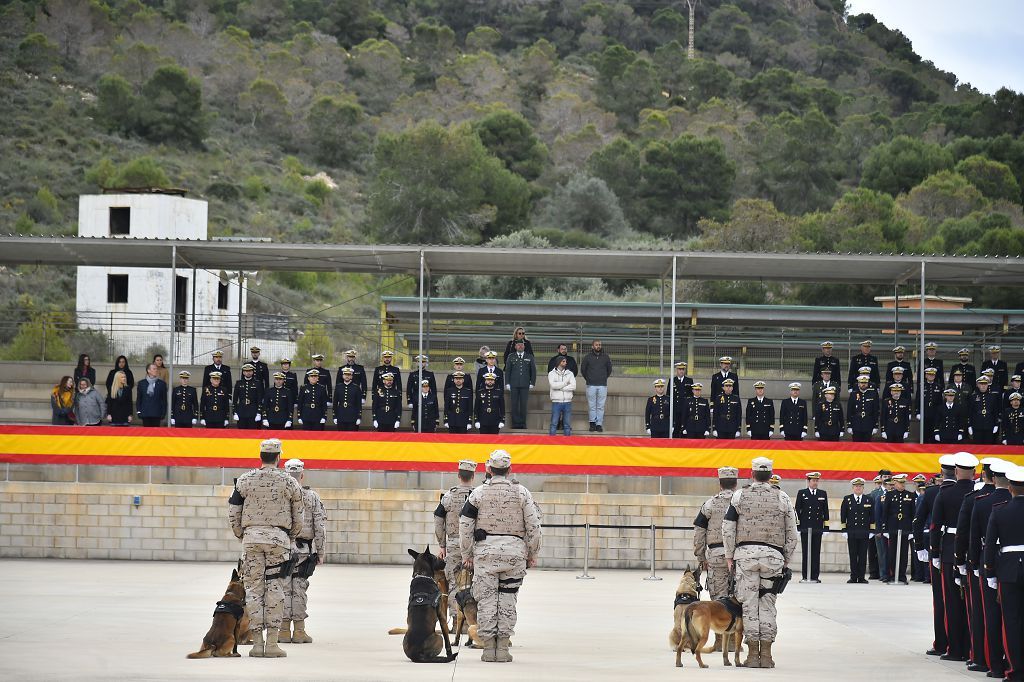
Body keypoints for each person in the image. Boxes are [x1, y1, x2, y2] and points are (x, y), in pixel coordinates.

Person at [459, 449, 542, 663]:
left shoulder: (477, 493)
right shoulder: (522, 493)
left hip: (485, 556)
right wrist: (532, 553)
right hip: (514, 555)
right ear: (510, 470)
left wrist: (467, 553)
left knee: (486, 601)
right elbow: (533, 525)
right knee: (507, 600)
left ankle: (488, 650)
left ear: (488, 469)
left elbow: (465, 524)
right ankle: (503, 649)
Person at [228, 438, 303, 658]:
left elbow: (233, 510)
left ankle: (256, 644)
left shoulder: (244, 480)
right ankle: (272, 644)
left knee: (253, 590)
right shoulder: (289, 482)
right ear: (279, 457)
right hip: (278, 541)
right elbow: (299, 514)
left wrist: (241, 533)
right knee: (275, 589)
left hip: (251, 539)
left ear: (261, 456)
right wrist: (290, 535)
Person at [722, 456, 798, 669]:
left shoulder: (739, 496)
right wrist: (785, 560)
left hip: (745, 557)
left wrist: (729, 556)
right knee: (767, 604)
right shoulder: (782, 497)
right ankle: (767, 655)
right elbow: (793, 533)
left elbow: (727, 528)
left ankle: (752, 655)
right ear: (771, 475)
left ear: (752, 474)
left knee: (748, 604)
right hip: (773, 557)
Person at [930, 451, 979, 662]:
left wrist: (934, 552)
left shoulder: (945, 493)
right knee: (973, 604)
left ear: (956, 471)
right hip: (975, 552)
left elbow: (935, 526)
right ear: (974, 472)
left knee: (952, 601)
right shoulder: (980, 494)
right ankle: (972, 648)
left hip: (950, 551)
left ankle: (955, 648)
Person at [955, 458, 998, 671]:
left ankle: (981, 657)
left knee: (980, 611)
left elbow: (966, 534)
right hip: (1010, 561)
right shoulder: (1011, 497)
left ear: (983, 475)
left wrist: (965, 562)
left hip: (982, 560)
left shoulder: (976, 500)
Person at [972, 459, 1013, 678]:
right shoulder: (1011, 501)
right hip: (1013, 563)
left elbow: (976, 536)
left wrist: (975, 563)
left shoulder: (982, 502)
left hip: (991, 561)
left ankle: (994, 663)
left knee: (991, 614)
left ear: (992, 477)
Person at [982, 464, 1024, 680]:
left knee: (1012, 620)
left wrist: (990, 572)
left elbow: (990, 545)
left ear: (1010, 488)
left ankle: (1016, 670)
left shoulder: (1000, 511)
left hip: (1008, 570)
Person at [279, 458, 326, 646]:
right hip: (303, 550)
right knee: (298, 589)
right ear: (302, 475)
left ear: (285, 473)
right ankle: (299, 631)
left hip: (281, 548)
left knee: (281, 588)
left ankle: (282, 631)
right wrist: (320, 552)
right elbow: (320, 527)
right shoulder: (312, 497)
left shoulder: (279, 494)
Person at [915, 455, 955, 657]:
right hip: (963, 552)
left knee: (940, 599)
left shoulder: (932, 493)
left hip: (939, 549)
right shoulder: (970, 491)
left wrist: (920, 547)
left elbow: (918, 520)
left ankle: (942, 642)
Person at [435, 459, 478, 627]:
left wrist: (442, 544)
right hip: (475, 546)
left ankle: (457, 622)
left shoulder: (449, 496)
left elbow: (438, 519)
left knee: (453, 583)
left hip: (453, 544)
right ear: (473, 476)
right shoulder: (478, 494)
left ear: (458, 475)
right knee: (475, 582)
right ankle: (472, 622)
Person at [694, 466, 740, 600]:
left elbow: (699, 532)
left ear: (720, 484)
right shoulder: (742, 502)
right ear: (736, 484)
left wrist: (701, 558)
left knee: (719, 601)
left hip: (716, 556)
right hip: (739, 556)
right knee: (739, 600)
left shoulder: (709, 504)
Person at [881, 474, 915, 584]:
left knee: (904, 553)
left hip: (905, 527)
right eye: (900, 483)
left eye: (904, 483)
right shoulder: (890, 495)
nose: (902, 485)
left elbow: (913, 513)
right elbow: (885, 513)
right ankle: (891, 574)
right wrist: (885, 528)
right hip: (893, 526)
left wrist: (911, 530)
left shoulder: (910, 495)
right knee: (892, 552)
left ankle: (902, 575)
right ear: (895, 483)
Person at [794, 472, 828, 583]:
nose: (815, 483)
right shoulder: (802, 493)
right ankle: (805, 575)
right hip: (805, 527)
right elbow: (797, 510)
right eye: (813, 481)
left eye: (817, 481)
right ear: (808, 481)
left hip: (817, 527)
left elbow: (825, 511)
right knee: (806, 552)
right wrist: (798, 526)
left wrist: (826, 526)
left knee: (816, 552)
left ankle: (815, 576)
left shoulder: (822, 493)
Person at [840, 477, 873, 583]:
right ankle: (853, 576)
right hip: (852, 532)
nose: (858, 488)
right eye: (856, 486)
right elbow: (843, 515)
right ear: (853, 488)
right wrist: (844, 529)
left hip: (864, 532)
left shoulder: (868, 499)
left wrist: (872, 530)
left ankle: (861, 577)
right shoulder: (847, 499)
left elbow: (872, 516)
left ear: (863, 488)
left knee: (863, 555)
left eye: (860, 486)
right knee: (853, 555)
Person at [580, 340, 612, 432]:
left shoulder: (606, 357)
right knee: (592, 405)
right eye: (596, 345)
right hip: (591, 385)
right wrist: (589, 379)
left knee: (600, 406)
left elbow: (609, 370)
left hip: (602, 385)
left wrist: (603, 378)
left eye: (600, 345)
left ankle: (599, 424)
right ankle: (592, 423)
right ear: (592, 346)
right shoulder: (587, 357)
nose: (598, 346)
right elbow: (583, 369)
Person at [504, 340, 536, 430]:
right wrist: (507, 383)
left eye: (522, 345)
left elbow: (533, 371)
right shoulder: (511, 356)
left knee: (523, 405)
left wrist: (532, 382)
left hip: (525, 384)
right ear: (515, 347)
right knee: (514, 405)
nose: (520, 346)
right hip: (513, 384)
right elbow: (508, 371)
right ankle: (515, 423)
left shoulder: (529, 357)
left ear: (524, 346)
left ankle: (522, 423)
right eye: (518, 345)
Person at [547, 355, 575, 436]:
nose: (565, 363)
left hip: (567, 402)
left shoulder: (570, 373)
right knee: (554, 424)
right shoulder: (551, 373)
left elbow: (573, 386)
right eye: (563, 361)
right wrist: (565, 383)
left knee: (567, 425)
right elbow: (553, 385)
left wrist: (561, 388)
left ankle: (567, 445)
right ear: (559, 362)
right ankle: (551, 443)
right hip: (556, 402)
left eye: (565, 361)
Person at [233, 363, 265, 430]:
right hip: (241, 412)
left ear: (253, 372)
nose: (248, 373)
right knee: (241, 433)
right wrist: (235, 412)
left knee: (253, 433)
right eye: (246, 371)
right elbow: (235, 399)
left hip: (253, 412)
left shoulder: (257, 383)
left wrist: (259, 413)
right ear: (243, 372)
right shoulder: (239, 383)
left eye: (250, 371)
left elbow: (260, 398)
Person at [969, 376, 1001, 444]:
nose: (983, 386)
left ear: (987, 385)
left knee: (988, 445)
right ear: (978, 385)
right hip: (977, 424)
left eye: (985, 384)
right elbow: (970, 412)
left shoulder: (992, 397)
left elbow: (995, 411)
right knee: (977, 445)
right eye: (981, 384)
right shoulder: (973, 397)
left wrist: (996, 424)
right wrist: (970, 425)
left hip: (989, 424)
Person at [847, 375, 878, 442]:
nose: (863, 384)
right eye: (861, 383)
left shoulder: (873, 394)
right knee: (856, 446)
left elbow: (875, 410)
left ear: (868, 384)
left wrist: (875, 426)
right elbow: (849, 410)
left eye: (865, 383)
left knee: (867, 446)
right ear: (858, 384)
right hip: (856, 424)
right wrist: (849, 425)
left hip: (868, 424)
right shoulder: (853, 394)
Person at [918, 367, 944, 439]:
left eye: (932, 375)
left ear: (935, 376)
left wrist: (940, 413)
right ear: (926, 376)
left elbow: (940, 401)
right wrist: (918, 412)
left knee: (934, 433)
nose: (931, 376)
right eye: (929, 375)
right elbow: (918, 399)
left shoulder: (938, 386)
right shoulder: (921, 386)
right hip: (924, 413)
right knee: (924, 434)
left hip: (935, 413)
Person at [671, 362, 693, 438]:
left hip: (686, 409)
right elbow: (668, 395)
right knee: (675, 429)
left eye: (683, 369)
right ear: (676, 370)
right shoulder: (672, 380)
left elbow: (691, 396)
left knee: (685, 429)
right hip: (676, 409)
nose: (681, 371)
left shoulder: (689, 380)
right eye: (679, 369)